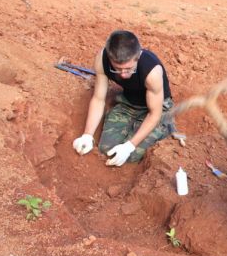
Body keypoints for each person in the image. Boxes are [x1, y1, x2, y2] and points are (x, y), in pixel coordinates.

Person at [72, 30, 176, 166]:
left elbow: (154, 114)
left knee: (131, 156)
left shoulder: (151, 71)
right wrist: (87, 135)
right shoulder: (102, 60)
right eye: (117, 69)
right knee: (107, 150)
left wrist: (129, 146)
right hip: (128, 102)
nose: (123, 75)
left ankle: (167, 124)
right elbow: (98, 99)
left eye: (129, 69)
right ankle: (134, 124)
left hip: (158, 107)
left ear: (137, 56)